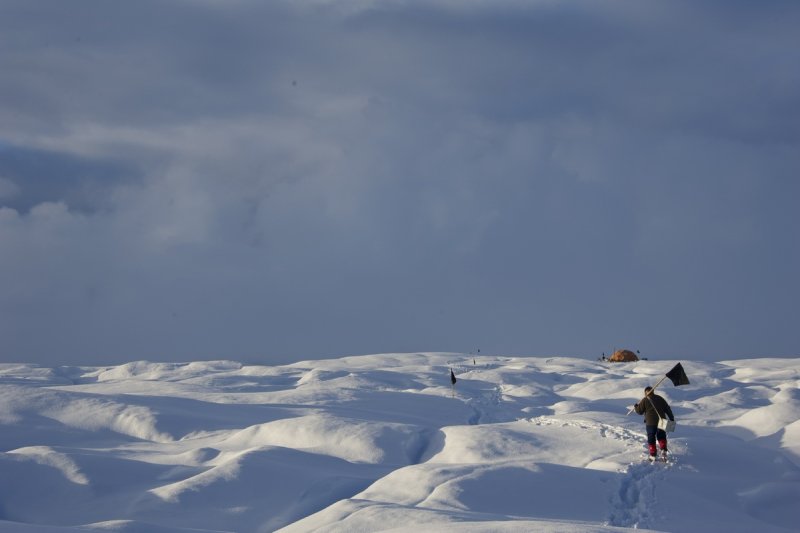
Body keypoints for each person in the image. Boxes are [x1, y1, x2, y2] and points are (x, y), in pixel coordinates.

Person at [634, 386, 675, 460]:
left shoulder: (645, 400)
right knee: (661, 436)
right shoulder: (660, 398)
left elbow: (640, 411)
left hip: (650, 422)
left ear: (645, 393)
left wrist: (636, 406)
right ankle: (663, 450)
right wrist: (671, 418)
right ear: (653, 391)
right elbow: (667, 408)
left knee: (651, 437)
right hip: (661, 420)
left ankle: (653, 454)